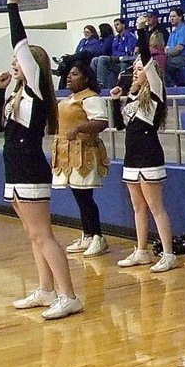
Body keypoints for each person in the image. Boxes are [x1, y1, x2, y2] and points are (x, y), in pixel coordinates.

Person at [0, 0, 83, 321]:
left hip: (30, 168)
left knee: (43, 235)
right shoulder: (18, 95)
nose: (15, 63)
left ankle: (68, 295)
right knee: (33, 235)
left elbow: (19, 44)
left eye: (21, 61)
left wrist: (12, 7)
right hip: (14, 167)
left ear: (33, 68)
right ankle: (46, 289)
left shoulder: (35, 91)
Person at [109, 40, 178, 274]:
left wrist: (140, 34)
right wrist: (115, 101)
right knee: (138, 208)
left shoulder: (156, 94)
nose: (136, 72)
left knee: (155, 207)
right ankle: (141, 250)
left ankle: (168, 254)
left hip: (149, 157)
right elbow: (119, 126)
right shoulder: (133, 96)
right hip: (132, 159)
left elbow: (148, 62)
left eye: (140, 69)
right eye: (134, 69)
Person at [54, 61, 111, 258]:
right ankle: (87, 235)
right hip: (68, 154)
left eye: (75, 74)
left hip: (84, 153)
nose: (69, 77)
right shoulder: (70, 98)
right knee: (79, 197)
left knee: (86, 198)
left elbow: (101, 122)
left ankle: (98, 237)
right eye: (69, 74)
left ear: (86, 78)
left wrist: (79, 128)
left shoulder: (91, 98)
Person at [56, 25, 108, 90]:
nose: (85, 34)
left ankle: (63, 60)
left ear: (92, 33)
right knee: (67, 66)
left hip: (87, 59)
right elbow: (77, 51)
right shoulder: (82, 41)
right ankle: (61, 83)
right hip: (78, 59)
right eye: (84, 32)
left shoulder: (95, 41)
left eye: (87, 32)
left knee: (79, 55)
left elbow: (90, 52)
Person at [95, 17, 138, 90]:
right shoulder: (116, 38)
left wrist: (119, 55)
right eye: (114, 25)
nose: (115, 27)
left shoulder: (130, 36)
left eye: (117, 24)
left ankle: (121, 87)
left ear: (123, 25)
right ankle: (100, 84)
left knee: (124, 64)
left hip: (126, 61)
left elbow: (129, 52)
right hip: (116, 59)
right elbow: (114, 51)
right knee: (100, 59)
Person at [163, 7, 185, 87]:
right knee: (160, 62)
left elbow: (178, 49)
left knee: (164, 63)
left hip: (182, 59)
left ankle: (173, 86)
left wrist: (168, 52)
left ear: (180, 17)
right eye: (170, 17)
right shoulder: (173, 33)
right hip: (173, 59)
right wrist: (168, 51)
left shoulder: (184, 30)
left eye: (174, 16)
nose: (171, 19)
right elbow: (166, 48)